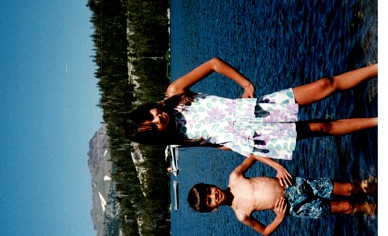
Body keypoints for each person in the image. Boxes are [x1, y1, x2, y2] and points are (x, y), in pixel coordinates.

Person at [124, 57, 377, 162]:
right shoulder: (178, 140)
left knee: (324, 84)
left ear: (148, 108)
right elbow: (220, 145)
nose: (158, 119)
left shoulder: (175, 92)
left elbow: (213, 64)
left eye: (150, 116)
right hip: (256, 137)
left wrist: (245, 84)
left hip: (257, 109)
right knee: (322, 127)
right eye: (154, 127)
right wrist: (259, 155)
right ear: (157, 136)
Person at [187, 155, 377, 236]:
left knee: (348, 189)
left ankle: (370, 186)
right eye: (210, 201)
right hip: (294, 207)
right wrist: (278, 217)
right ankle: (370, 208)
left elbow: (254, 155)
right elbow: (265, 231)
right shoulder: (241, 214)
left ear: (211, 185)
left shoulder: (235, 177)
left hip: (294, 184)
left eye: (209, 191)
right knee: (346, 207)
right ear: (213, 209)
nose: (213, 196)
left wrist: (277, 167)